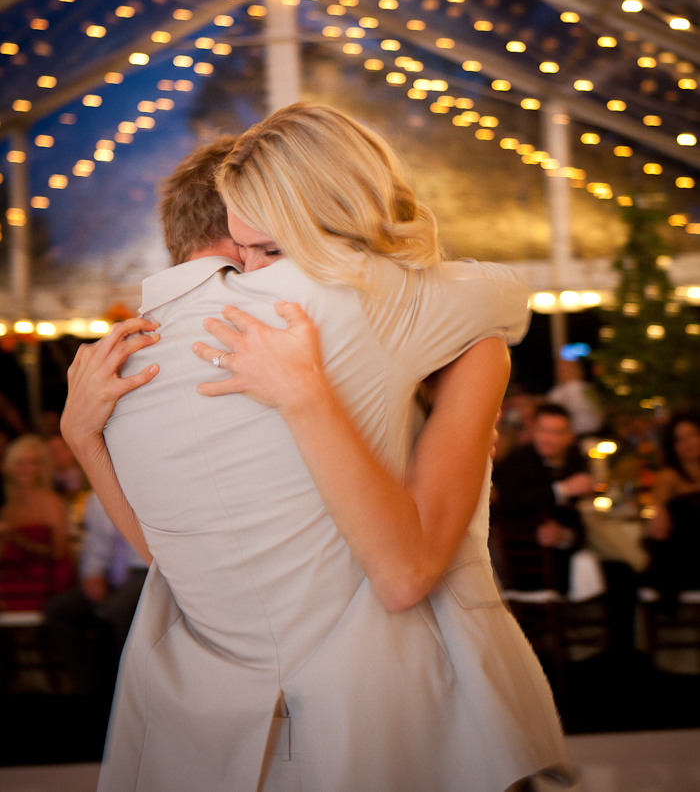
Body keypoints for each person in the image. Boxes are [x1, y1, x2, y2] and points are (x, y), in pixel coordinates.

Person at [62, 106, 570, 792]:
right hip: (382, 713)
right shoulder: (366, 317)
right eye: (242, 257)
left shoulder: (139, 361)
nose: (250, 279)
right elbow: (181, 558)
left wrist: (84, 438)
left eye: (268, 253)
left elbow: (169, 562)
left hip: (227, 731)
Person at [45, 492, 149, 695]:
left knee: (118, 608)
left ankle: (132, 688)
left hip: (145, 570)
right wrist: (92, 574)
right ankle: (92, 688)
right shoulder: (96, 498)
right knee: (59, 609)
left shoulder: (149, 491)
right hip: (111, 574)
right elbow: (96, 543)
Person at [493, 403, 592, 595]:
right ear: (533, 431)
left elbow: (575, 514)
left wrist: (566, 536)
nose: (547, 438)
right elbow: (509, 501)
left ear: (570, 437)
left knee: (616, 568)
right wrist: (562, 490)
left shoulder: (576, 460)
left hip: (570, 547)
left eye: (556, 433)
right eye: (543, 430)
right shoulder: (518, 459)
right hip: (530, 562)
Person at [0, 435, 73, 611]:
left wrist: (16, 538)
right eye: (19, 463)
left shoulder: (51, 503)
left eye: (32, 463)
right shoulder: (8, 508)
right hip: (11, 580)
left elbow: (58, 554)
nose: (25, 469)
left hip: (41, 584)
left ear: (41, 468)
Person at [647, 414, 700, 604]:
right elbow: (657, 515)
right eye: (679, 440)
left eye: (691, 435)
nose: (687, 443)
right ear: (672, 446)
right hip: (685, 558)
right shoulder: (669, 477)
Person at [547, 358, 603, 436]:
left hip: (581, 433)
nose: (560, 373)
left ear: (576, 370)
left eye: (564, 369)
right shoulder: (562, 388)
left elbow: (553, 409)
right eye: (558, 370)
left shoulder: (576, 388)